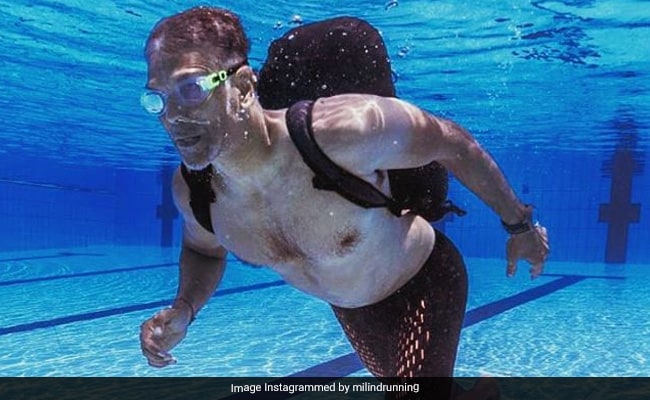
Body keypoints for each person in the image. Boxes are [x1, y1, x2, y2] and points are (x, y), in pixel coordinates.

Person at [138, 6, 549, 399]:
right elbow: (203, 250)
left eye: (190, 89)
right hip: (352, 312)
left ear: (243, 87)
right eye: (157, 98)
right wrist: (185, 307)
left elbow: (453, 143)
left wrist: (520, 226)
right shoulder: (194, 191)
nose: (172, 115)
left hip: (423, 283)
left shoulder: (341, 133)